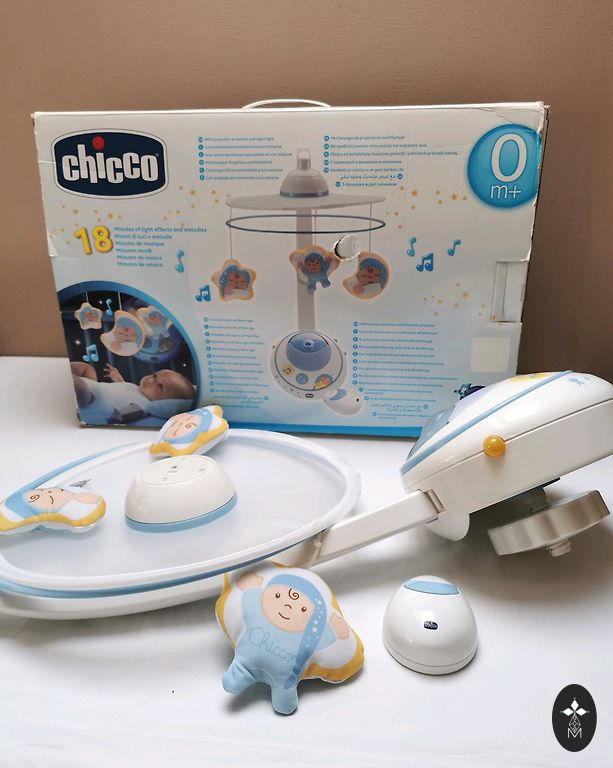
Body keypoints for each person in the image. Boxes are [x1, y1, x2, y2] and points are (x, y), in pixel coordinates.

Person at [70, 362, 194, 424]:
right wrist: (118, 378)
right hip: (96, 388)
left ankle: (64, 377)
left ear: (167, 401)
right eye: (154, 375)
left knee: (79, 385)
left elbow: (131, 412)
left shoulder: (145, 404)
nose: (150, 380)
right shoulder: (137, 390)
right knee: (87, 368)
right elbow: (125, 389)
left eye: (160, 386)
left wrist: (116, 417)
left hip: (92, 400)